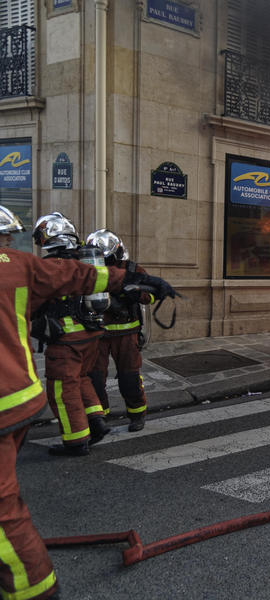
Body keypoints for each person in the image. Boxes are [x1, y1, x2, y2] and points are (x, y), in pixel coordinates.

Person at [0, 204, 174, 600]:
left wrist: (134, 285)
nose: (12, 244)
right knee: (86, 383)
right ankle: (98, 420)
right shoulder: (36, 265)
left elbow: (83, 285)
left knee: (77, 386)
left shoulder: (35, 264)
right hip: (87, 342)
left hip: (92, 340)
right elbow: (81, 279)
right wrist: (129, 281)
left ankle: (93, 431)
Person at [31, 213, 111, 457]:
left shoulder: (52, 266)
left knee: (62, 389)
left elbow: (36, 300)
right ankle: (97, 420)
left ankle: (75, 441)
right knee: (82, 379)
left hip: (66, 338)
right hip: (90, 334)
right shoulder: (83, 260)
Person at [86, 230, 153, 431]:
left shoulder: (133, 269)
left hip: (126, 333)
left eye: (107, 257)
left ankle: (137, 415)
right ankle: (100, 417)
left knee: (129, 377)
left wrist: (133, 293)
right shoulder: (88, 269)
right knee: (95, 379)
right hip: (96, 334)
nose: (104, 262)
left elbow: (151, 296)